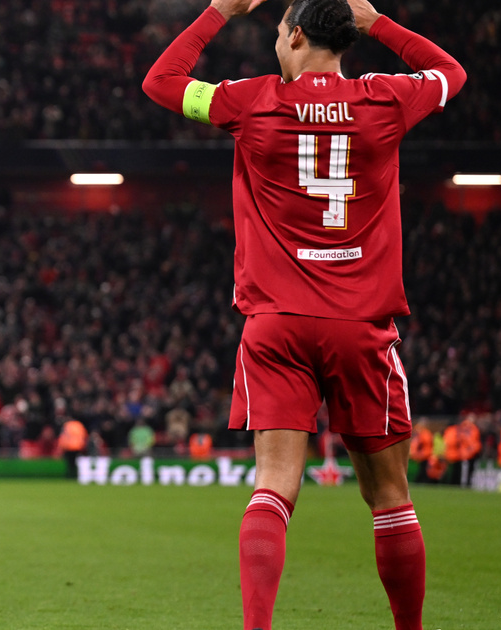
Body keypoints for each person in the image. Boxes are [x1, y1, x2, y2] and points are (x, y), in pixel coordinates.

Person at [143, 1, 465, 629]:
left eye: (275, 31)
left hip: (277, 325)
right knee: (390, 498)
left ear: (294, 35)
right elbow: (451, 72)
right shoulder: (387, 99)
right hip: (360, 326)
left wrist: (220, 9)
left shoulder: (251, 101)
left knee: (273, 487)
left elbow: (161, 81)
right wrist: (380, 24)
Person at [443, 413, 481, 487]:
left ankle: (463, 484)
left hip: (462, 453)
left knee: (462, 471)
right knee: (462, 472)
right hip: (463, 454)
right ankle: (463, 484)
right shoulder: (469, 429)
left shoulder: (462, 428)